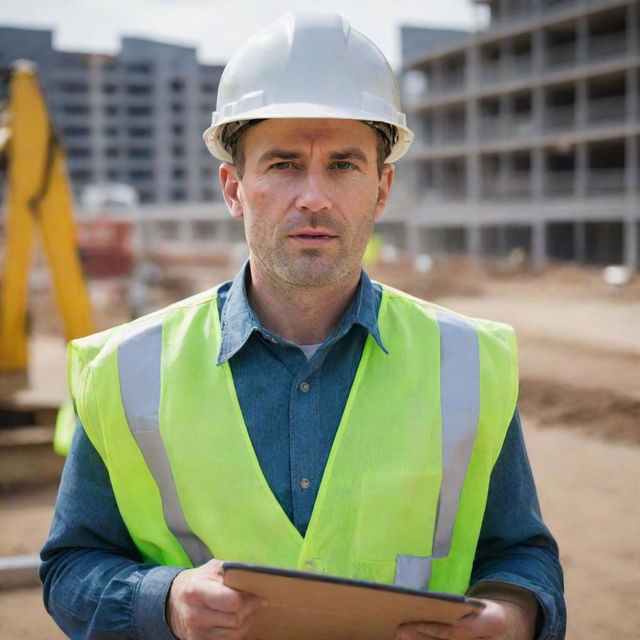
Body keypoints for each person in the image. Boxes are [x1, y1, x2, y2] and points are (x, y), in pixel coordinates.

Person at [41, 11, 565, 640]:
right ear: (234, 188)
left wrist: (509, 619)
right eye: (284, 164)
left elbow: (520, 554)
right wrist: (166, 599)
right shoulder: (124, 371)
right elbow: (70, 567)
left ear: (382, 187)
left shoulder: (466, 361)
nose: (314, 195)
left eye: (344, 165)